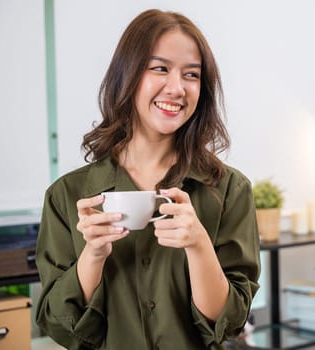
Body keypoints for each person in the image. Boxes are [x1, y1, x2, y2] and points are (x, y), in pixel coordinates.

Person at [35, 9, 261, 349]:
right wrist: (93, 255)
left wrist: (199, 246)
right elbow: (59, 326)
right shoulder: (67, 196)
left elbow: (227, 322)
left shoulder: (229, 190)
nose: (177, 88)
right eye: (160, 68)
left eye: (191, 75)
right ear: (127, 75)